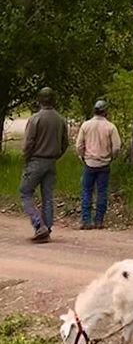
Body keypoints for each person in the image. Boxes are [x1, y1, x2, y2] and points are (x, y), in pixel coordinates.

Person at [20, 87, 69, 243]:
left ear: (39, 100)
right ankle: (47, 227)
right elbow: (65, 143)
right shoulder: (60, 119)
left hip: (36, 160)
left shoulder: (35, 119)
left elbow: (29, 142)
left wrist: (26, 159)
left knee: (25, 192)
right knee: (47, 195)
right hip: (51, 161)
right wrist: (56, 155)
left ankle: (38, 224)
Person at [75, 99, 121, 230]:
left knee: (86, 191)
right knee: (102, 192)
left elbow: (79, 145)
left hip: (89, 163)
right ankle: (99, 221)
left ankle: (86, 220)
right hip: (104, 164)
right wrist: (112, 156)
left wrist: (82, 156)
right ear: (105, 112)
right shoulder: (110, 127)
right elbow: (116, 147)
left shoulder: (86, 125)